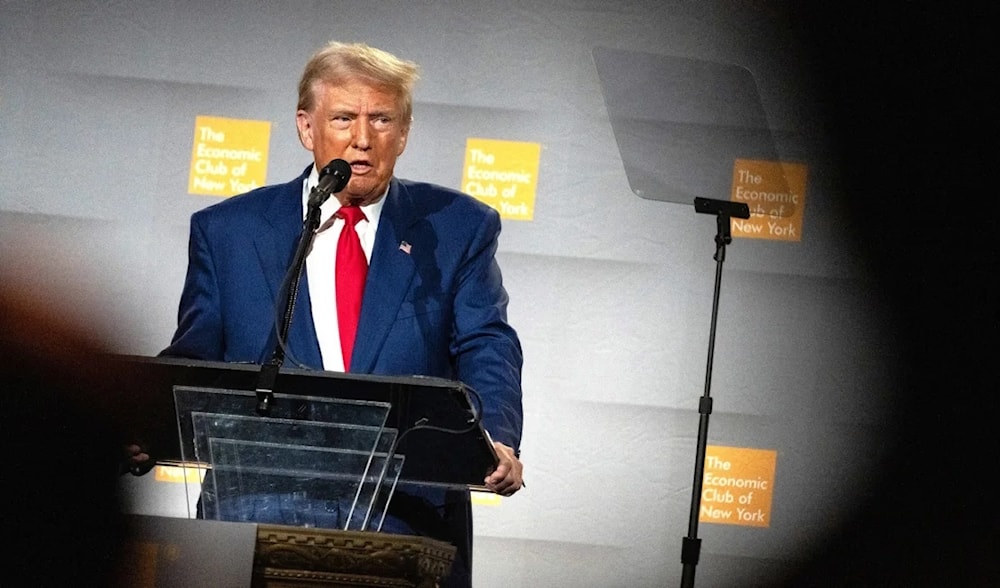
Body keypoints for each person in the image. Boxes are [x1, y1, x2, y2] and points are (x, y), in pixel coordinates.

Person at [161, 40, 524, 587]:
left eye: (381, 119)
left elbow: (486, 342)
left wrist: (495, 435)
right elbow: (197, 356)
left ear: (403, 132)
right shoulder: (230, 231)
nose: (362, 138)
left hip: (403, 517)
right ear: (307, 128)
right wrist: (146, 419)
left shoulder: (456, 227)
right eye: (343, 118)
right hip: (256, 510)